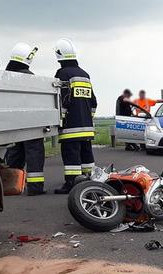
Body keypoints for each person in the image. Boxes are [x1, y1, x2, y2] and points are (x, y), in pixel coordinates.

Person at [53, 38, 97, 194]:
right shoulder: (85, 74)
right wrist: (88, 119)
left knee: (71, 156)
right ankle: (89, 180)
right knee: (86, 155)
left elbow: (63, 100)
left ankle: (71, 183)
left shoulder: (63, 73)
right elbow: (93, 102)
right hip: (87, 127)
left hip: (71, 127)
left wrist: (60, 120)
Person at [4, 43, 46, 196]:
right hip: (32, 124)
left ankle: (10, 186)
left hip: (13, 125)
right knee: (34, 155)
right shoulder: (31, 78)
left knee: (14, 155)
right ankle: (35, 188)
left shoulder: (6, 76)